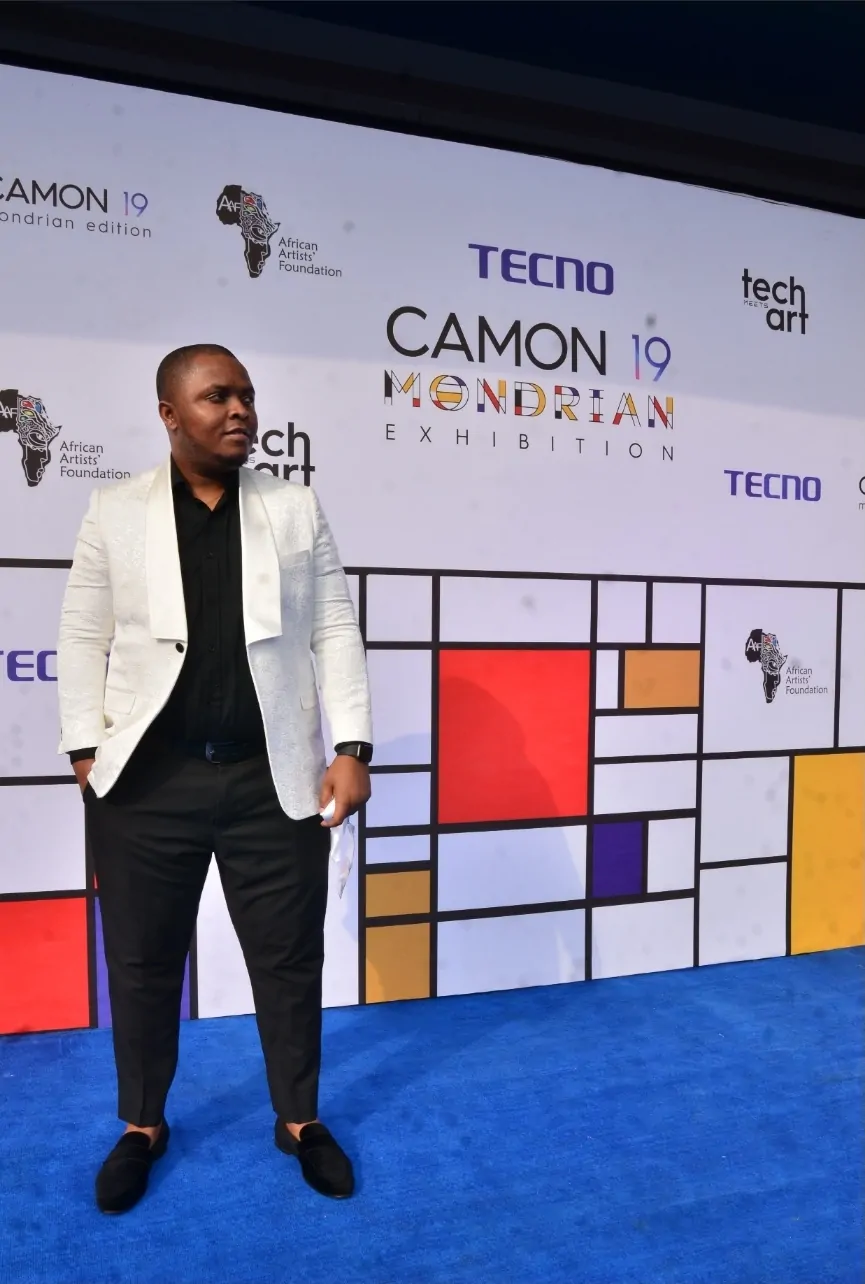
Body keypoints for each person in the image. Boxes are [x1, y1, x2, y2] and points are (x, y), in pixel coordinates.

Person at [57, 344, 373, 1213]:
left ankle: (299, 1120)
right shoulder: (114, 510)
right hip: (145, 787)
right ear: (169, 414)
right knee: (141, 962)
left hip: (272, 779)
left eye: (247, 396)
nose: (239, 411)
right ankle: (142, 1124)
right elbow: (81, 636)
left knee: (288, 957)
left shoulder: (293, 507)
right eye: (216, 396)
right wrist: (85, 751)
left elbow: (334, 628)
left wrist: (351, 746)